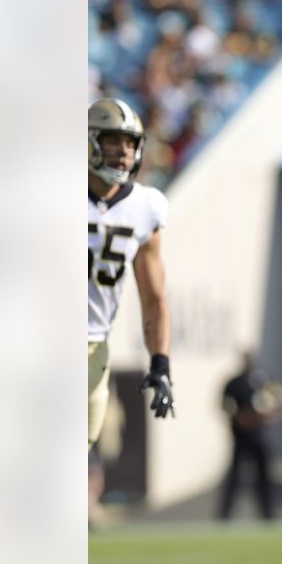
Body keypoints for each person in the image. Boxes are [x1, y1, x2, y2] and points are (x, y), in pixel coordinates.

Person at [88, 98, 176, 457]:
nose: (123, 152)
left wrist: (161, 363)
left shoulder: (145, 207)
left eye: (129, 143)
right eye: (112, 141)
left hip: (94, 346)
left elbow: (154, 297)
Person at [217, 351, 282, 520]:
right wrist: (239, 418)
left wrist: (266, 415)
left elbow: (278, 402)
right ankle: (225, 516)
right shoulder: (234, 383)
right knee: (235, 478)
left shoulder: (264, 380)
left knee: (264, 478)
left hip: (260, 437)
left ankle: (268, 515)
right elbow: (224, 405)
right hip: (241, 437)